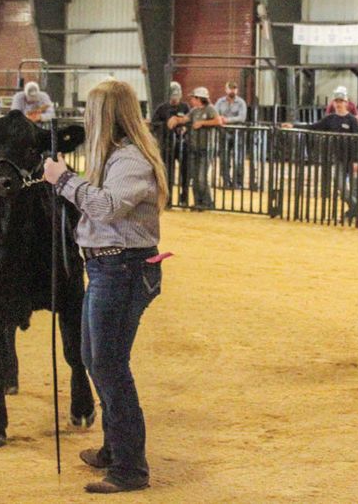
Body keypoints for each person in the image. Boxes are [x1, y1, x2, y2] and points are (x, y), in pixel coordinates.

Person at [40, 79, 168, 494]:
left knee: (110, 365)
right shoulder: (115, 158)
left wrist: (64, 181)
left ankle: (131, 468)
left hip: (122, 270)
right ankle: (115, 448)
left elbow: (106, 208)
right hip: (107, 269)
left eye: (92, 112)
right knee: (95, 358)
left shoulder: (131, 160)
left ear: (107, 116)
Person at [281, 88, 358, 224]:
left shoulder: (352, 120)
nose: (339, 104)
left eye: (341, 101)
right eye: (336, 101)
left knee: (354, 189)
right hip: (338, 159)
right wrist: (293, 125)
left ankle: (353, 211)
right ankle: (357, 210)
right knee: (341, 187)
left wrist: (356, 160)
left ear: (346, 102)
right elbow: (313, 127)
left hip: (352, 159)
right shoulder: (330, 119)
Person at [181, 86, 222, 211]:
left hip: (206, 147)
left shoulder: (210, 109)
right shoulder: (194, 111)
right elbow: (185, 119)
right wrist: (177, 120)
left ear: (199, 99)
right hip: (194, 147)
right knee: (195, 176)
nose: (191, 100)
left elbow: (218, 121)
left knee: (201, 176)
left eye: (193, 98)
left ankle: (206, 202)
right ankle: (199, 202)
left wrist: (202, 123)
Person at [151, 81, 190, 206]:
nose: (174, 100)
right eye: (172, 98)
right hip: (167, 145)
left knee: (185, 171)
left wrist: (185, 128)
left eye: (176, 97)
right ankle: (167, 200)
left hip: (183, 144)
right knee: (167, 172)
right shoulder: (162, 108)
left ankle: (184, 198)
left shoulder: (185, 107)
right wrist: (163, 128)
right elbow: (154, 124)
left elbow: (190, 121)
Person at [214, 81, 247, 188]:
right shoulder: (220, 102)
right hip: (223, 133)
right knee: (224, 158)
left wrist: (226, 120)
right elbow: (215, 114)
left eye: (235, 88)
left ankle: (238, 182)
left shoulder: (241, 102)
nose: (233, 90)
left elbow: (242, 118)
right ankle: (226, 180)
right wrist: (220, 119)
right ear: (226, 89)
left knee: (239, 158)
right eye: (231, 88)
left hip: (238, 133)